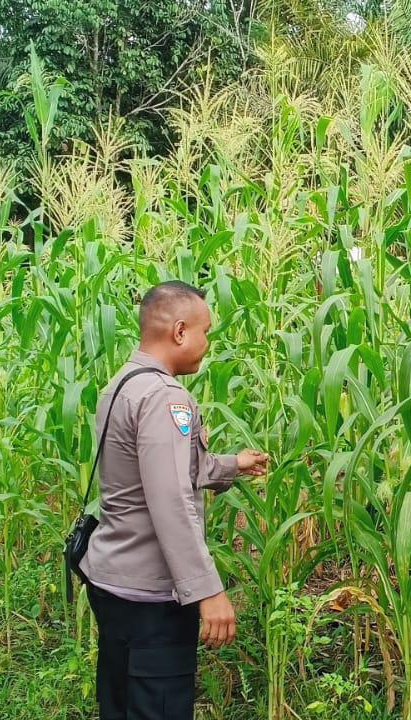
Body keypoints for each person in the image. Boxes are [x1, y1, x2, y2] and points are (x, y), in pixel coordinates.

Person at [80, 280, 270, 720]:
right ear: (180, 332)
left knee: (120, 702)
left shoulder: (122, 384)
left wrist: (230, 465)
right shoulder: (166, 398)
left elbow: (154, 468)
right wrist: (208, 591)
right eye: (206, 333)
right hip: (151, 599)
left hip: (113, 582)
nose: (207, 345)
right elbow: (170, 500)